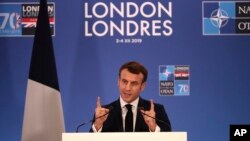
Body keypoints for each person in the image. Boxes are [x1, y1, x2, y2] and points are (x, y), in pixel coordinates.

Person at [90, 61, 171, 132]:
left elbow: (170, 138)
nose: (127, 88)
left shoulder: (157, 111)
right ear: (118, 82)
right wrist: (97, 125)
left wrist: (153, 128)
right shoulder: (103, 113)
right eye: (124, 81)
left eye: (134, 83)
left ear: (142, 86)